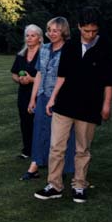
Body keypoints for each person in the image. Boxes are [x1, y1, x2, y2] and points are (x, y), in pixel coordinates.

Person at [34, 6, 112, 203]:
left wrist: (106, 105)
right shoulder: (70, 46)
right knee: (56, 146)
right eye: (86, 30)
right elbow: (62, 75)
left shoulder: (105, 47)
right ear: (79, 27)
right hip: (64, 104)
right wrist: (53, 98)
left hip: (89, 107)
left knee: (82, 149)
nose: (90, 35)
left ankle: (79, 185)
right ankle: (54, 185)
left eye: (94, 31)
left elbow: (109, 80)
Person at [21, 17, 75, 180]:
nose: (52, 33)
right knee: (39, 132)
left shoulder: (69, 50)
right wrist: (33, 98)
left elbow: (67, 76)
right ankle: (35, 164)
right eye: (49, 30)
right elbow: (39, 73)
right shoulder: (43, 49)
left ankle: (66, 168)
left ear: (63, 32)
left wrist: (55, 97)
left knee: (63, 134)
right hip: (43, 95)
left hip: (62, 98)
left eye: (56, 30)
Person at [10, 24, 42, 159]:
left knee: (39, 123)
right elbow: (14, 74)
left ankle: (40, 151)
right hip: (23, 94)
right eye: (27, 35)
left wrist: (32, 80)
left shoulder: (43, 55)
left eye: (33, 35)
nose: (29, 38)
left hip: (39, 94)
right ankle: (27, 150)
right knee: (25, 122)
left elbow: (46, 78)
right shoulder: (21, 55)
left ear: (39, 38)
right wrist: (20, 80)